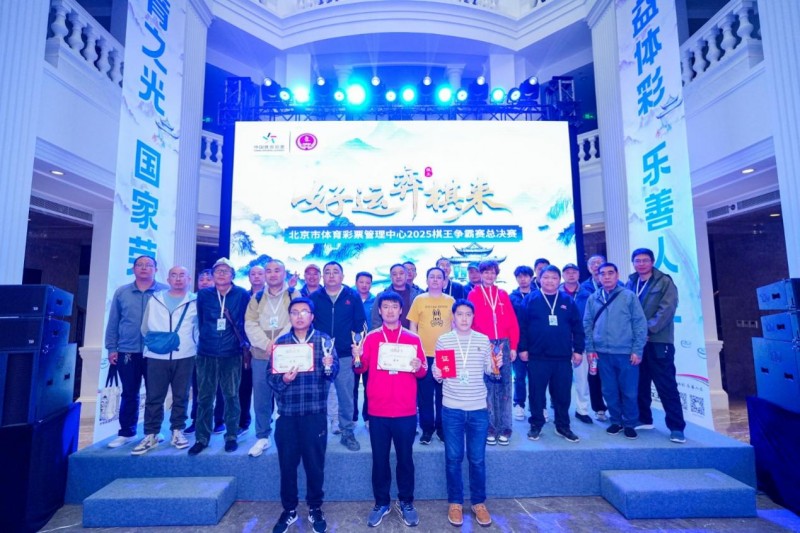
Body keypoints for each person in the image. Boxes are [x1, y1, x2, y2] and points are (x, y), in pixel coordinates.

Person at [355, 292, 427, 528]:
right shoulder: (371, 338)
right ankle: (381, 502)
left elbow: (423, 372)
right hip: (378, 411)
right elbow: (360, 369)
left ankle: (406, 501)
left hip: (405, 410)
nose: (389, 311)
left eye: (394, 307)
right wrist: (357, 358)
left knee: (405, 459)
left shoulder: (413, 338)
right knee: (380, 460)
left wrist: (418, 366)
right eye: (385, 307)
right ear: (379, 311)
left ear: (401, 310)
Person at [269, 298, 338, 533]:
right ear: (289, 316)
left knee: (314, 464)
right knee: (287, 465)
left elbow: (332, 373)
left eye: (304, 312)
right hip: (287, 415)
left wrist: (329, 365)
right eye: (295, 312)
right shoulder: (281, 343)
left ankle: (315, 507)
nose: (299, 316)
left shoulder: (323, 341)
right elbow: (270, 379)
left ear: (312, 316)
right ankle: (289, 509)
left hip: (314, 414)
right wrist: (283, 379)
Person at [433, 299, 495, 527]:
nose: (464, 318)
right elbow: (439, 372)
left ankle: (478, 503)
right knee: (453, 458)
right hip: (452, 408)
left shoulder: (483, 339)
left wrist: (495, 365)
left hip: (478, 408)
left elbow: (489, 369)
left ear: (473, 317)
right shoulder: (444, 340)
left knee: (477, 459)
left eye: (468, 314)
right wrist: (437, 372)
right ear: (453, 317)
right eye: (460, 314)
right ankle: (455, 503)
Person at [104, 255, 168, 448]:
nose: (144, 268)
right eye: (140, 265)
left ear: (156, 270)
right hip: (127, 351)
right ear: (133, 269)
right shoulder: (122, 292)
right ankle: (127, 432)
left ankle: (153, 431)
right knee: (129, 393)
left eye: (148, 265)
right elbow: (113, 321)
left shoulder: (164, 291)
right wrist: (112, 348)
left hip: (155, 351)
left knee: (155, 394)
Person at [189, 257, 251, 455]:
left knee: (231, 396)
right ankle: (202, 438)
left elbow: (245, 321)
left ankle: (231, 436)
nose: (221, 274)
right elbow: (201, 321)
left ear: (232, 275)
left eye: (226, 271)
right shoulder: (204, 295)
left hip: (231, 353)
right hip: (206, 352)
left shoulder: (241, 294)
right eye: (217, 271)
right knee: (204, 397)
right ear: (213, 275)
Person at [133, 266, 198, 455]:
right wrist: (158, 344)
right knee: (154, 396)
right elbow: (144, 328)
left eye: (182, 275)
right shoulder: (155, 299)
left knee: (181, 395)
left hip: (185, 355)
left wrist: (192, 343)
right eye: (174, 275)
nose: (178, 279)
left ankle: (177, 431)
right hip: (156, 356)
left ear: (189, 279)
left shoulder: (195, 301)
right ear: (168, 279)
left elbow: (198, 328)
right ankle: (151, 434)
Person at [626, 248, 687, 444]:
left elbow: (666, 310)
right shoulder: (631, 282)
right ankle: (644, 418)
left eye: (645, 260)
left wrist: (646, 330)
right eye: (637, 260)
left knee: (666, 385)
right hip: (637, 343)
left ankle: (676, 427)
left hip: (658, 341)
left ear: (652, 262)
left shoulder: (664, 282)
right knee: (640, 383)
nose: (641, 264)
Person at [518, 266, 585, 443]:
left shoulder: (567, 300)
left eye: (554, 278)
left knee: (562, 394)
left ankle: (563, 426)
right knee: (536, 393)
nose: (550, 281)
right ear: (539, 279)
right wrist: (522, 348)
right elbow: (522, 326)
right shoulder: (530, 299)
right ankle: (536, 424)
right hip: (537, 356)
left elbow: (578, 327)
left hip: (562, 357)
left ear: (559, 280)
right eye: (546, 277)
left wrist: (578, 350)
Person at [583, 263, 648, 440]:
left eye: (610, 273)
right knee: (609, 390)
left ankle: (630, 423)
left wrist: (637, 350)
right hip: (602, 353)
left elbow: (639, 324)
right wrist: (590, 348)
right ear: (598, 277)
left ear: (617, 275)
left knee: (629, 391)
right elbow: (587, 324)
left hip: (626, 352)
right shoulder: (593, 298)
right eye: (602, 274)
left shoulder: (628, 296)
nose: (606, 277)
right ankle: (616, 421)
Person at [309, 261, 367, 451]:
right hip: (319, 355)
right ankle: (317, 433)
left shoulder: (352, 296)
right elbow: (309, 325)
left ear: (342, 276)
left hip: (344, 354)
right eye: (327, 272)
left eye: (335, 272)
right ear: (323, 276)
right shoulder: (315, 297)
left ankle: (347, 431)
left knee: (346, 395)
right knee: (317, 395)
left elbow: (360, 324)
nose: (331, 275)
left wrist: (357, 348)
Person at [244, 259, 298, 457]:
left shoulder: (293, 294)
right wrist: (267, 345)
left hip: (286, 353)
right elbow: (249, 323)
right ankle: (262, 435)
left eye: (277, 270)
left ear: (284, 273)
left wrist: (278, 344)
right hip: (261, 354)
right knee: (261, 396)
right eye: (269, 271)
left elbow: (295, 320)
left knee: (287, 395)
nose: (273, 274)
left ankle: (289, 434)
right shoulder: (257, 297)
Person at [468, 260, 519, 445]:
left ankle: (505, 426)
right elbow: (471, 322)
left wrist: (513, 346)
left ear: (496, 275)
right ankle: (489, 427)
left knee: (505, 387)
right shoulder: (473, 294)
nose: (489, 276)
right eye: (486, 272)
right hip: (484, 344)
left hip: (503, 344)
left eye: (492, 272)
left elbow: (512, 322)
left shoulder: (503, 294)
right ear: (480, 274)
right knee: (486, 388)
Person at [408, 267, 454, 444]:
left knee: (445, 393)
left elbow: (455, 326)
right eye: (432, 277)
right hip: (424, 355)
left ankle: (442, 428)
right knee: (425, 394)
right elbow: (413, 326)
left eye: (439, 277)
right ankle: (427, 429)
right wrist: (415, 350)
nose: (435, 280)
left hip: (445, 354)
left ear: (444, 281)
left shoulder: (451, 301)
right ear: (427, 280)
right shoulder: (419, 300)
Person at [187, 269, 225, 434]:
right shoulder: (190, 300)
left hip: (218, 349)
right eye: (201, 279)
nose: (204, 282)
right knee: (199, 388)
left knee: (220, 388)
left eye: (208, 279)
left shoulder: (221, 299)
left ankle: (219, 420)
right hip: (196, 351)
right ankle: (197, 420)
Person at [560, 263, 596, 425]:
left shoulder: (588, 295)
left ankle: (582, 410)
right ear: (563, 275)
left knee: (582, 380)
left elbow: (592, 320)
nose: (571, 275)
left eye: (574, 272)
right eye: (567, 272)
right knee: (561, 381)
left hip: (581, 343)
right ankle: (561, 411)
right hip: (560, 344)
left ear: (579, 274)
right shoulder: (555, 293)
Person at [580, 254, 609, 421]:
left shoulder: (619, 287)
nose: (596, 266)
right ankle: (599, 408)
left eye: (599, 262)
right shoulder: (582, 288)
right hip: (592, 339)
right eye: (593, 263)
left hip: (613, 339)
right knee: (594, 375)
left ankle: (617, 409)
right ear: (588, 268)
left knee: (612, 376)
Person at [509, 265, 535, 421]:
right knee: (519, 376)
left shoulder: (539, 295)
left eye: (526, 276)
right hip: (518, 343)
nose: (523, 279)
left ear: (531, 278)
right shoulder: (511, 297)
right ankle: (519, 404)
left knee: (536, 377)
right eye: (519, 276)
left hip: (537, 343)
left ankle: (538, 406)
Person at [370, 263, 423, 328]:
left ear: (406, 275)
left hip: (413, 333)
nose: (398, 276)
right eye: (394, 274)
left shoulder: (418, 295)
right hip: (388, 333)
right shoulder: (381, 296)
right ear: (390, 277)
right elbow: (376, 320)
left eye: (401, 273)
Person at [354, 271, 375, 428]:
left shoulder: (376, 300)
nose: (364, 285)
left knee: (369, 385)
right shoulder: (350, 299)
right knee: (352, 386)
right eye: (361, 282)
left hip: (370, 348)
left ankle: (368, 417)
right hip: (353, 348)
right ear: (356, 283)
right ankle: (353, 417)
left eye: (367, 282)